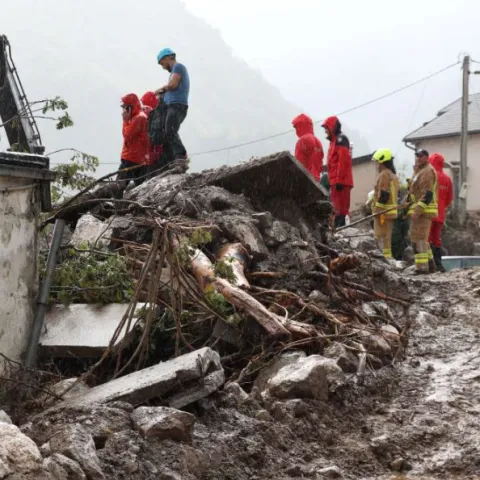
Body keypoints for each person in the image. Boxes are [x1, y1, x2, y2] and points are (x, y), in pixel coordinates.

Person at [155, 48, 189, 165]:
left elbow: (173, 85)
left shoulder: (178, 67)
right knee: (168, 132)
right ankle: (172, 159)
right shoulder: (174, 71)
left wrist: (161, 89)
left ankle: (181, 156)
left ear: (168, 58)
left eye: (163, 64)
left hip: (177, 105)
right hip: (172, 106)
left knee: (170, 130)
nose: (163, 67)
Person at [408, 149, 438, 274]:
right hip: (421, 211)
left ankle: (422, 268)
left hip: (423, 212)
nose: (418, 158)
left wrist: (418, 211)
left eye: (421, 156)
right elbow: (414, 190)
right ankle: (430, 266)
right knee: (421, 239)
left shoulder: (427, 172)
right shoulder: (420, 171)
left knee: (419, 240)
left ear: (427, 157)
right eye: (417, 156)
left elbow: (428, 194)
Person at [322, 116, 353, 227]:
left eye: (326, 128)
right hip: (336, 181)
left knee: (341, 210)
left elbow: (343, 160)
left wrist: (339, 179)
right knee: (337, 209)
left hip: (340, 181)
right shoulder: (334, 142)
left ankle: (342, 231)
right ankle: (339, 230)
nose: (325, 131)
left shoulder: (341, 140)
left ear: (332, 127)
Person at [371, 148, 399, 259]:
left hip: (383, 213)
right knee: (386, 239)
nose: (377, 165)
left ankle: (383, 261)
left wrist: (377, 211)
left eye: (378, 162)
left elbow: (384, 194)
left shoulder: (384, 174)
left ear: (382, 161)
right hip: (389, 213)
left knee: (380, 238)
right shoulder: (393, 175)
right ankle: (387, 260)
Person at [117, 93, 149, 192]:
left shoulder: (138, 118)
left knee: (118, 187)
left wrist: (125, 121)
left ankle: (116, 205)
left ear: (130, 107)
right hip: (140, 159)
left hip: (130, 158)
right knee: (141, 187)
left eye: (125, 108)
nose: (123, 111)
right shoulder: (139, 117)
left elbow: (127, 136)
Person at [428, 153, 453, 272]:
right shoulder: (447, 179)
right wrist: (441, 207)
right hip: (440, 214)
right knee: (436, 238)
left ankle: (430, 264)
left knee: (427, 238)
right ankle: (439, 264)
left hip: (428, 213)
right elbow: (449, 199)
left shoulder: (430, 176)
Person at [292, 113, 324, 181]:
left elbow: (299, 163)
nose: (296, 131)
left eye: (296, 127)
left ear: (301, 126)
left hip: (305, 180)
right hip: (317, 180)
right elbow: (320, 163)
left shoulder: (302, 140)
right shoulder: (318, 142)